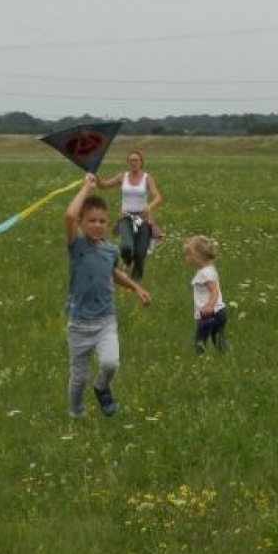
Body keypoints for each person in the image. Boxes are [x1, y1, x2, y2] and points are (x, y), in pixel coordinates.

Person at [65, 174, 152, 417]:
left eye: (102, 221)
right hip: (79, 324)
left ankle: (102, 386)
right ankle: (76, 414)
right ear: (82, 223)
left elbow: (112, 273)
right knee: (78, 376)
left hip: (105, 320)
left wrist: (136, 287)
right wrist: (85, 188)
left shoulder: (110, 250)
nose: (97, 225)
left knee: (110, 363)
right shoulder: (77, 247)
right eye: (91, 220)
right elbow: (70, 215)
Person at [97, 149, 163, 281]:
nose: (133, 163)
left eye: (136, 160)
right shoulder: (123, 176)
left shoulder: (147, 178)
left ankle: (136, 282)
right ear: (128, 162)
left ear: (141, 162)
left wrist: (149, 207)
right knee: (127, 247)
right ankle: (127, 263)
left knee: (140, 254)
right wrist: (95, 174)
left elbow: (158, 197)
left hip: (142, 219)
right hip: (125, 218)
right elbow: (103, 185)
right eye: (131, 160)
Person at [184, 235, 227, 353]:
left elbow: (215, 290)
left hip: (212, 313)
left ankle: (199, 360)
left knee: (200, 340)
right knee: (217, 338)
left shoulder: (205, 273)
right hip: (218, 312)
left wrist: (209, 306)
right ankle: (223, 356)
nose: (186, 257)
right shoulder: (208, 270)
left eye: (188, 254)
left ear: (197, 257)